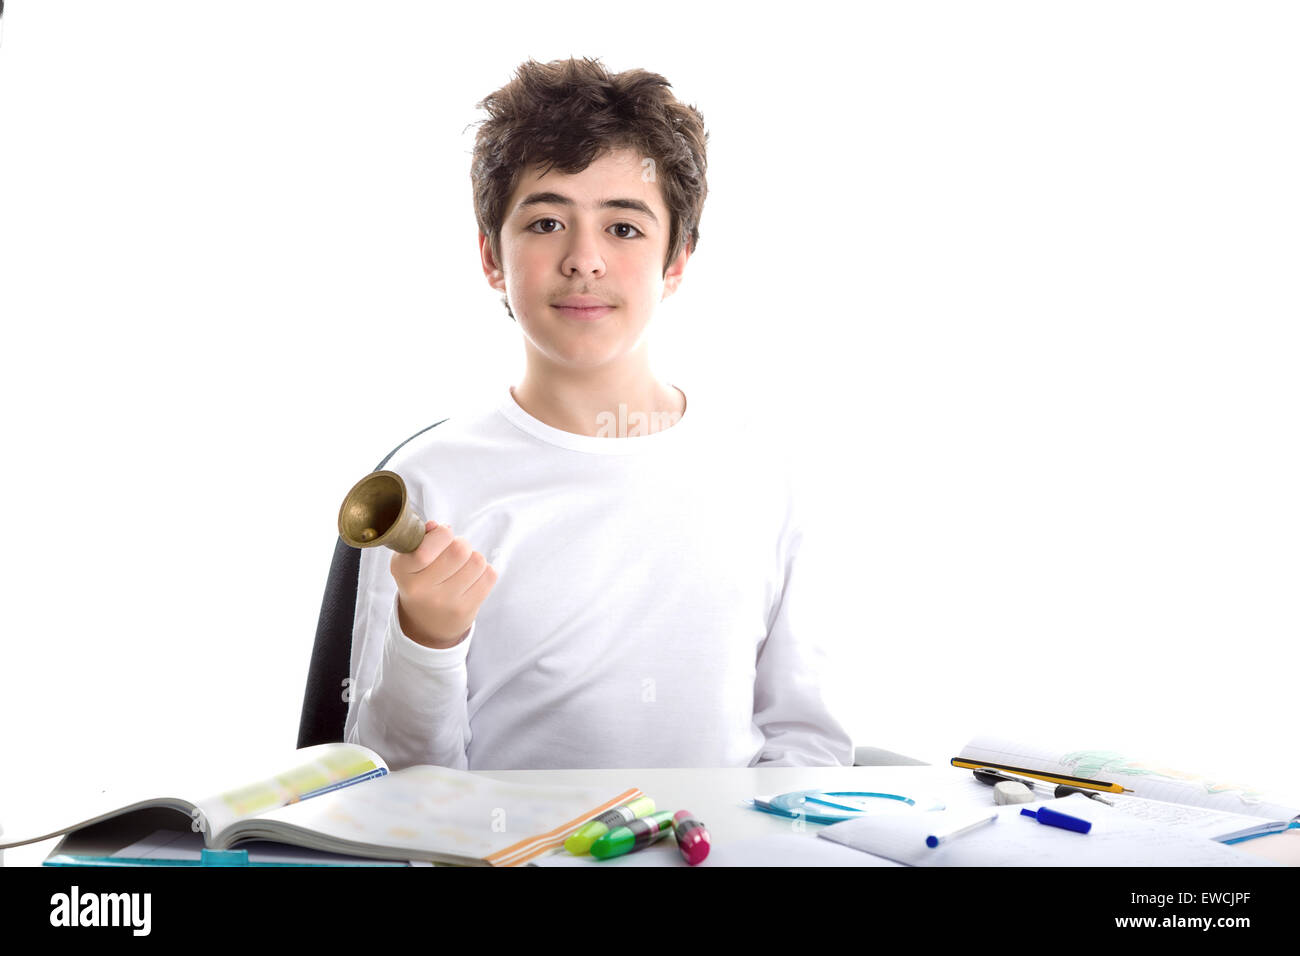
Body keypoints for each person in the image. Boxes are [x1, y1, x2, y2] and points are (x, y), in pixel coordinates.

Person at [343, 56, 853, 771]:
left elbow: (807, 743)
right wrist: (428, 639)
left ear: (677, 261)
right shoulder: (427, 484)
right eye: (548, 222)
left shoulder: (766, 471)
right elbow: (389, 782)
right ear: (493, 256)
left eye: (624, 229)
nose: (584, 260)